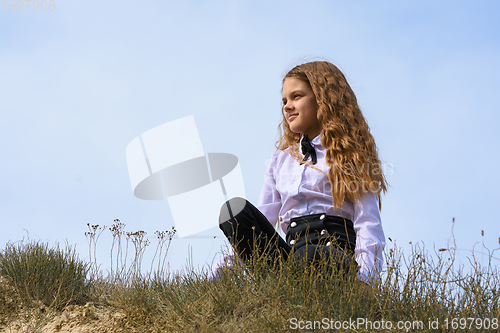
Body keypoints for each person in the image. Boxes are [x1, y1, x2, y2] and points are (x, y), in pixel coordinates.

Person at [209, 61, 388, 284]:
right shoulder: (279, 160)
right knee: (234, 212)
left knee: (310, 255)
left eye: (296, 96)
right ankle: (279, 281)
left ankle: (296, 282)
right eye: (284, 100)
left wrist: (366, 279)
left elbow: (368, 223)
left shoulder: (351, 155)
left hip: (333, 258)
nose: (287, 106)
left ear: (323, 99)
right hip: (291, 256)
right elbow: (265, 217)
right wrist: (220, 271)